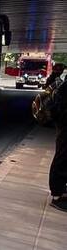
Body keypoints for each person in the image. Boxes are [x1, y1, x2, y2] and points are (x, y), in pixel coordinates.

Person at [49, 67, 67, 211]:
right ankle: (56, 195)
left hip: (63, 124)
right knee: (62, 158)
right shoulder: (65, 87)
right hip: (65, 126)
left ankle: (60, 191)